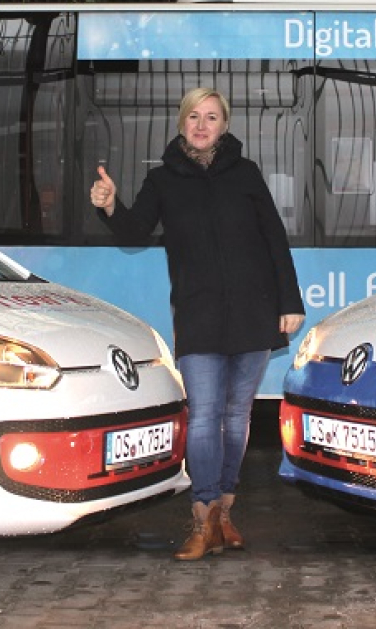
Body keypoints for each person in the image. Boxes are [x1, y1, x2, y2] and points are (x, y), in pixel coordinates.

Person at [90, 87, 305, 560]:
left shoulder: (246, 174)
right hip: (200, 315)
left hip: (253, 311)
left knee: (237, 418)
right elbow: (132, 232)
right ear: (181, 123)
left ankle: (226, 513)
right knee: (205, 417)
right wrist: (108, 205)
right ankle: (202, 515)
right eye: (193, 116)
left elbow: (275, 240)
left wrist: (289, 302)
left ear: (224, 126)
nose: (201, 124)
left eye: (211, 117)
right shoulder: (164, 180)